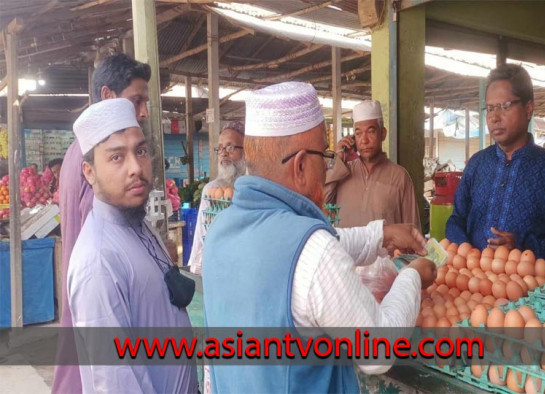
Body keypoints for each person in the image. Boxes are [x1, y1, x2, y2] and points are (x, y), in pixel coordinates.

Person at [203, 82, 436, 393]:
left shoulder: (220, 229)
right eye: (325, 160)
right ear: (301, 165)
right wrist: (411, 277)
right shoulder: (313, 251)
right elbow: (377, 350)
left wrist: (379, 234)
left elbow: (302, 250)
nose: (328, 171)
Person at [67, 98, 196, 392]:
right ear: (89, 172)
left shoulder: (138, 224)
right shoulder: (98, 262)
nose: (136, 168)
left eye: (140, 151)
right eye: (116, 157)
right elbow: (115, 382)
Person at [53, 53, 150, 394]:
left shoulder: (78, 153)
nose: (143, 112)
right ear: (108, 96)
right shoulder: (95, 164)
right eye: (137, 100)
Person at [445, 64, 545, 271]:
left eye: (505, 106)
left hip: (529, 295)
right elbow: (456, 220)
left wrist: (524, 247)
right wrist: (466, 253)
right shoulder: (476, 165)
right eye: (490, 108)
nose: (494, 117)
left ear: (528, 108)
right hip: (473, 283)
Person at [324, 100, 421, 229]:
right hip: (343, 250)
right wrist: (338, 161)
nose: (364, 140)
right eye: (358, 133)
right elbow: (321, 205)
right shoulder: (342, 172)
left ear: (383, 134)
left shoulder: (400, 177)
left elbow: (412, 229)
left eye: (371, 132)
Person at [188, 121, 246, 275]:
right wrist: (194, 270)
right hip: (217, 269)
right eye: (220, 148)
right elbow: (200, 236)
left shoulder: (253, 190)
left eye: (230, 147)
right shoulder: (211, 190)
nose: (224, 153)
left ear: (247, 150)